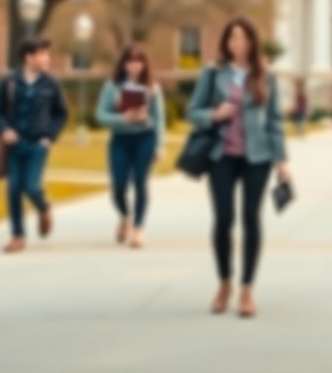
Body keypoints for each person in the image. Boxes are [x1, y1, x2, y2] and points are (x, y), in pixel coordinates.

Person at [186, 17, 291, 319]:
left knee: (251, 219)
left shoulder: (265, 75)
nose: (238, 44)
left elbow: (274, 122)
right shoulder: (213, 73)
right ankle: (224, 283)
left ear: (252, 43)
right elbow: (193, 112)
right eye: (233, 38)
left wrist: (282, 161)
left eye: (244, 38)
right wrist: (214, 114)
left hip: (257, 158)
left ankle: (247, 289)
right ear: (226, 42)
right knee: (223, 219)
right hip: (221, 156)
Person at [0, 37, 70, 255]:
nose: (47, 58)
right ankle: (17, 236)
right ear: (29, 57)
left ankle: (44, 207)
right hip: (15, 145)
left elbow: (61, 114)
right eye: (43, 54)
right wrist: (4, 129)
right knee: (14, 189)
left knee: (31, 186)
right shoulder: (10, 82)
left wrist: (49, 137)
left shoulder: (51, 83)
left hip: (38, 145)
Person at [95, 43, 166, 249]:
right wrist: (122, 118)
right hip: (120, 139)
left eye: (139, 61)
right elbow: (100, 115)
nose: (134, 66)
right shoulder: (112, 86)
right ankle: (125, 215)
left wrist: (159, 145)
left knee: (140, 182)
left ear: (144, 64)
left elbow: (159, 119)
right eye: (130, 61)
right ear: (124, 64)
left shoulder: (153, 88)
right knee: (118, 186)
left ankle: (138, 229)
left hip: (145, 138)